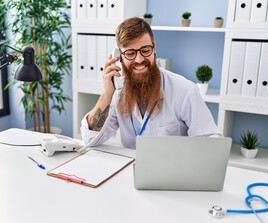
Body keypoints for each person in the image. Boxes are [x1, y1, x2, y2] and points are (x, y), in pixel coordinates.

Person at [80, 17, 222, 149]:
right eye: (130, 53)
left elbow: (212, 141)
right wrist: (106, 94)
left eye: (145, 50)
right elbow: (91, 139)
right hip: (131, 170)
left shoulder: (184, 90)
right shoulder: (118, 92)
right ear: (119, 56)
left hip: (172, 171)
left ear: (154, 48)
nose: (139, 59)